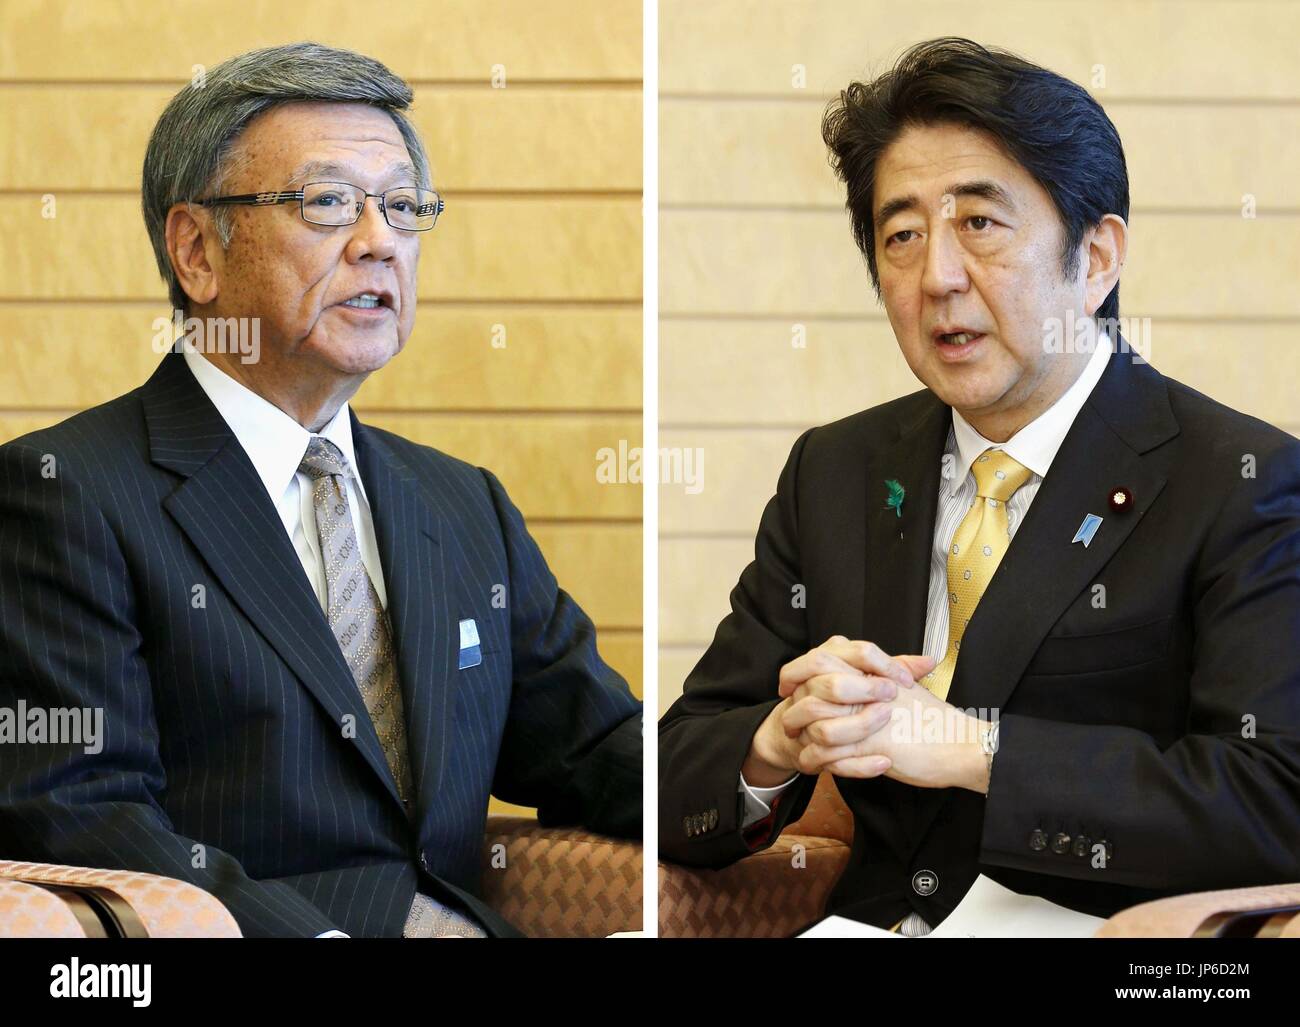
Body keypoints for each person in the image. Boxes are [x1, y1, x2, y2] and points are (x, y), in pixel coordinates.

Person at [658, 37, 1300, 935]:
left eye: (980, 225)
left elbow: (1273, 801)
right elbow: (673, 768)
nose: (938, 277)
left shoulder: (1240, 482)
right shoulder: (838, 473)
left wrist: (979, 748)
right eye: (903, 235)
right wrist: (779, 740)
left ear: (1098, 257)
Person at [0, 42, 641, 938]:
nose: (379, 241)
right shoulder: (66, 492)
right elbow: (78, 810)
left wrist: (762, 759)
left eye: (403, 206)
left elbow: (594, 748)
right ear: (196, 251)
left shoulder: (461, 505)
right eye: (328, 201)